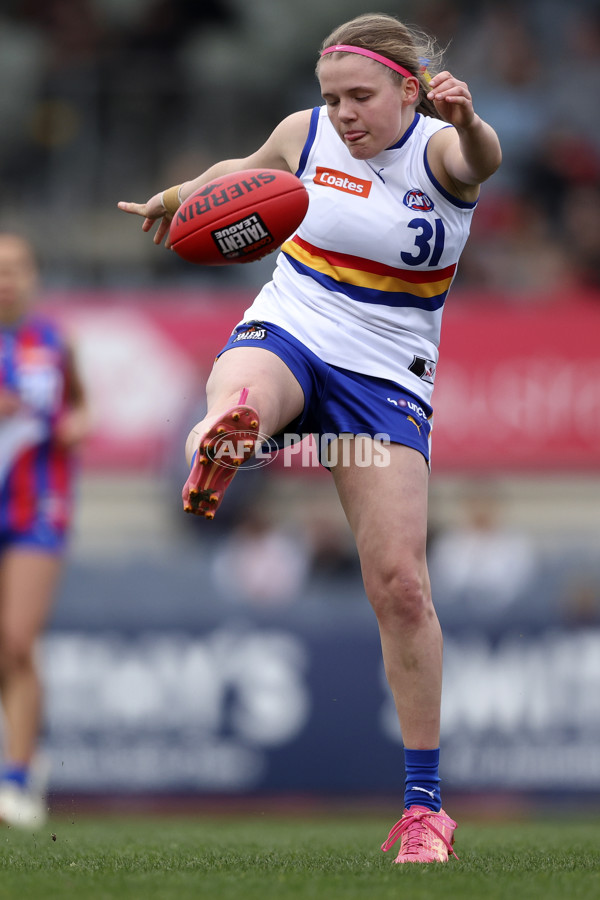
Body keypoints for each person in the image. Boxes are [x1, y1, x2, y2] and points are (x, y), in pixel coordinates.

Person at [119, 12, 501, 864]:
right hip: (297, 324)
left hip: (386, 375)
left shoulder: (440, 152)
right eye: (333, 96)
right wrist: (183, 194)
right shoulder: (309, 131)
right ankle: (228, 431)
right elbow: (243, 173)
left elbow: (484, 161)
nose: (344, 112)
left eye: (360, 95)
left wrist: (470, 119)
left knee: (401, 584)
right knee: (247, 383)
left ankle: (422, 810)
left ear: (409, 90)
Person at [0, 233, 89, 828]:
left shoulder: (54, 343)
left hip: (37, 508)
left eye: (17, 268)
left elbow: (83, 408)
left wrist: (74, 427)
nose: (8, 279)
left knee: (15, 641)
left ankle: (19, 778)